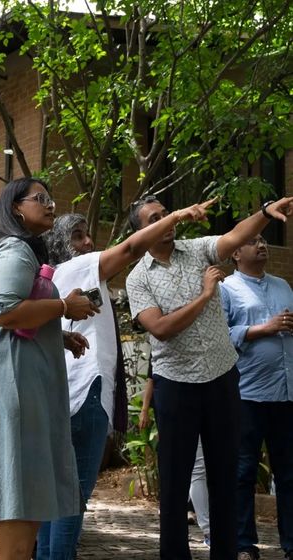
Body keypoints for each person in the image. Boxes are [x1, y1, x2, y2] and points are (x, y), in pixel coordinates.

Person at [38, 201, 215, 560]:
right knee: (73, 498)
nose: (89, 242)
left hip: (64, 392)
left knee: (54, 498)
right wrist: (178, 216)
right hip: (84, 391)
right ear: (60, 244)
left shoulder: (56, 279)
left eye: (88, 234)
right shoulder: (76, 269)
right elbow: (133, 248)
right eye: (78, 236)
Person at [125, 195, 293, 560]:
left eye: (167, 214)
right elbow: (162, 329)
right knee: (174, 483)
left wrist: (264, 214)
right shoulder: (138, 279)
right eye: (156, 218)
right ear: (142, 231)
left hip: (220, 379)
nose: (167, 221)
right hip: (176, 385)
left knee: (225, 478)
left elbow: (234, 237)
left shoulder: (196, 250)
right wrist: (204, 296)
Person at [0, 178, 97, 560]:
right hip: (7, 388)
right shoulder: (14, 249)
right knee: (20, 492)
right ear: (16, 207)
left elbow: (8, 317)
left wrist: (58, 335)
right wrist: (65, 307)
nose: (50, 205)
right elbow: (4, 310)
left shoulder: (12, 249)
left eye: (50, 198)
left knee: (25, 492)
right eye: (40, 199)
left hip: (8, 382)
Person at [219, 234, 293, 560]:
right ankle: (244, 544)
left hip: (287, 393)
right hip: (247, 394)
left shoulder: (283, 286)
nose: (261, 245)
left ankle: (291, 544)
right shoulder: (226, 289)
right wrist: (263, 329)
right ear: (235, 253)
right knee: (243, 472)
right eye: (253, 242)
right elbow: (221, 336)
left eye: (264, 240)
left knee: (289, 473)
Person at [139, 367, 210, 547]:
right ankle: (207, 529)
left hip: (197, 403)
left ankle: (180, 517)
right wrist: (145, 409)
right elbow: (151, 377)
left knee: (190, 467)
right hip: (173, 406)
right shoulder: (162, 348)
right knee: (190, 468)